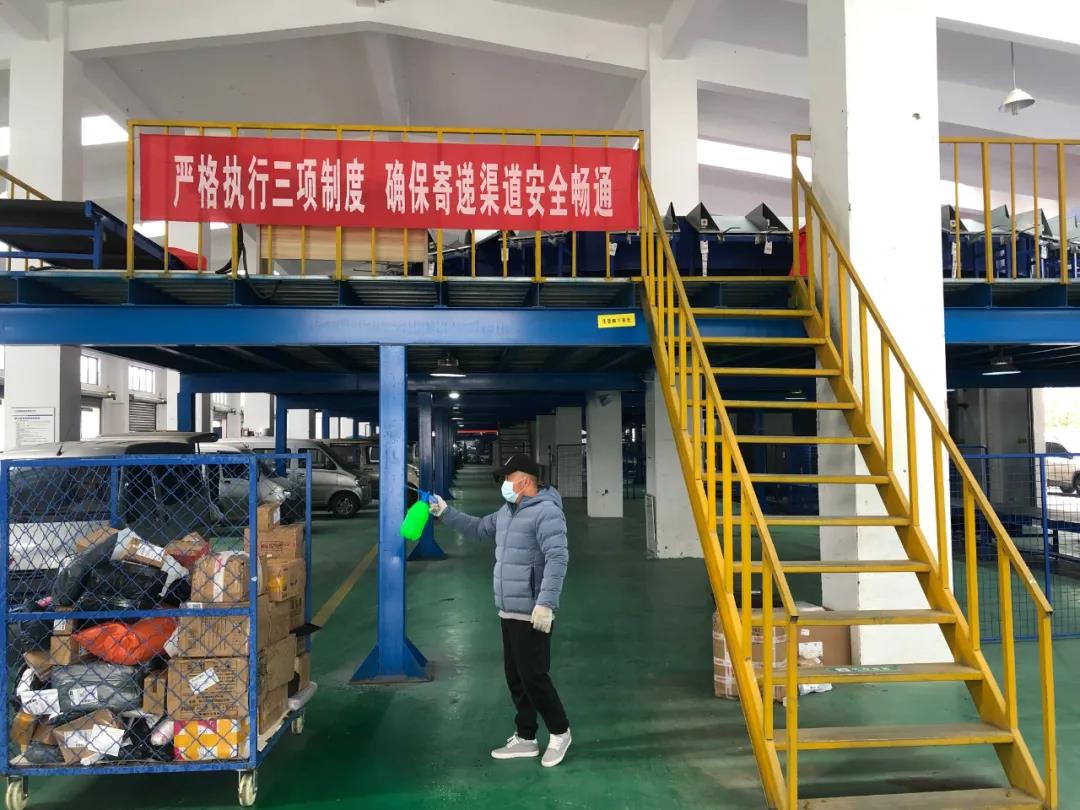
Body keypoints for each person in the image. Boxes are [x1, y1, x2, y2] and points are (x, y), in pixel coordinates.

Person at [429, 454, 571, 767]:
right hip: (508, 608)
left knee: (534, 676)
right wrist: (445, 511)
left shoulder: (547, 512)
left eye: (508, 478)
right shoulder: (507, 511)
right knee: (516, 677)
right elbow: (478, 529)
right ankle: (526, 737)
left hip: (533, 611)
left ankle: (560, 732)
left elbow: (558, 558)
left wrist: (546, 603)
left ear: (526, 480)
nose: (504, 484)